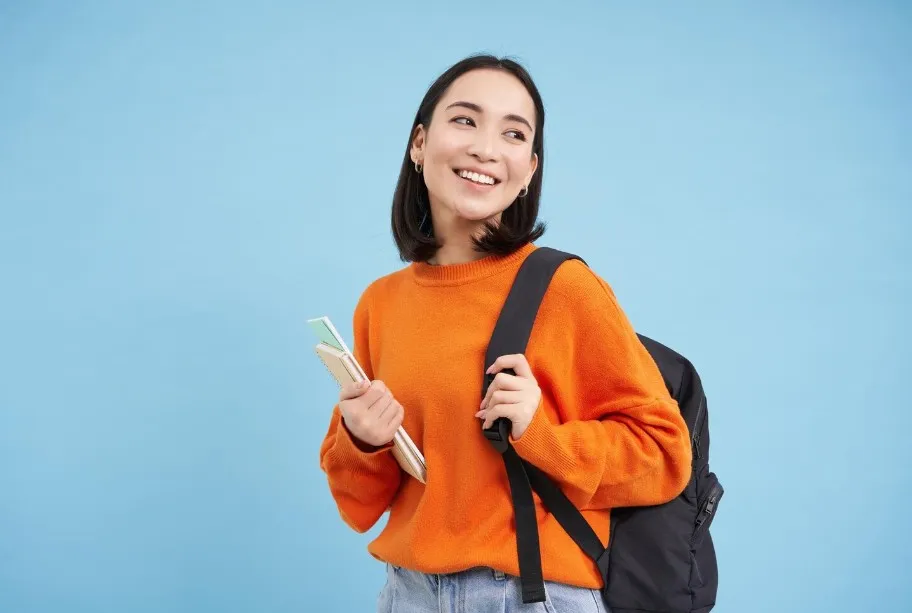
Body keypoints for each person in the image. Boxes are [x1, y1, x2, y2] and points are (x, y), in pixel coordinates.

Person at [318, 54, 693, 613]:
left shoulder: (566, 288)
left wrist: (541, 434)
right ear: (419, 143)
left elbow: (664, 455)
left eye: (513, 133)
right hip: (408, 593)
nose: (486, 148)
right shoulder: (381, 303)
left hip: (530, 595)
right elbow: (359, 505)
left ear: (530, 169)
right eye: (465, 121)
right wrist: (364, 440)